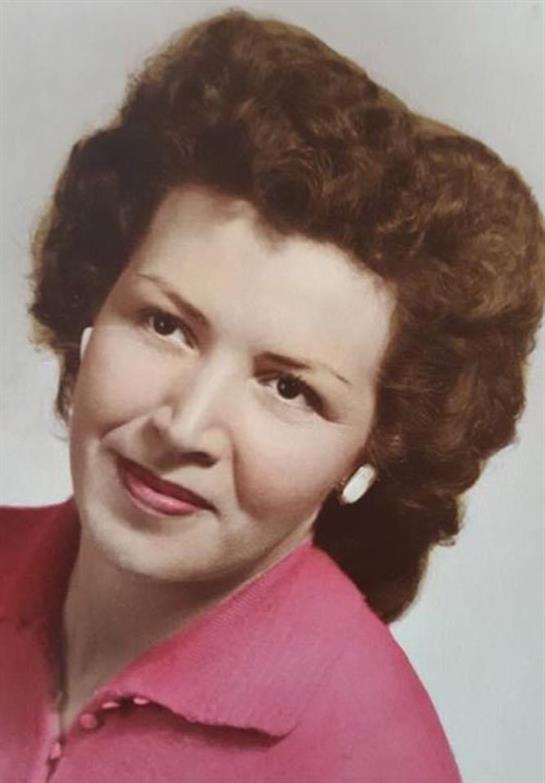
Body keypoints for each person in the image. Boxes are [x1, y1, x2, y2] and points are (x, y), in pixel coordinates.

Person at [1, 8, 543, 782]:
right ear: (93, 302)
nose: (184, 426)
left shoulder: (374, 760)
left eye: (288, 388)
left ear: (374, 454)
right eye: (165, 325)